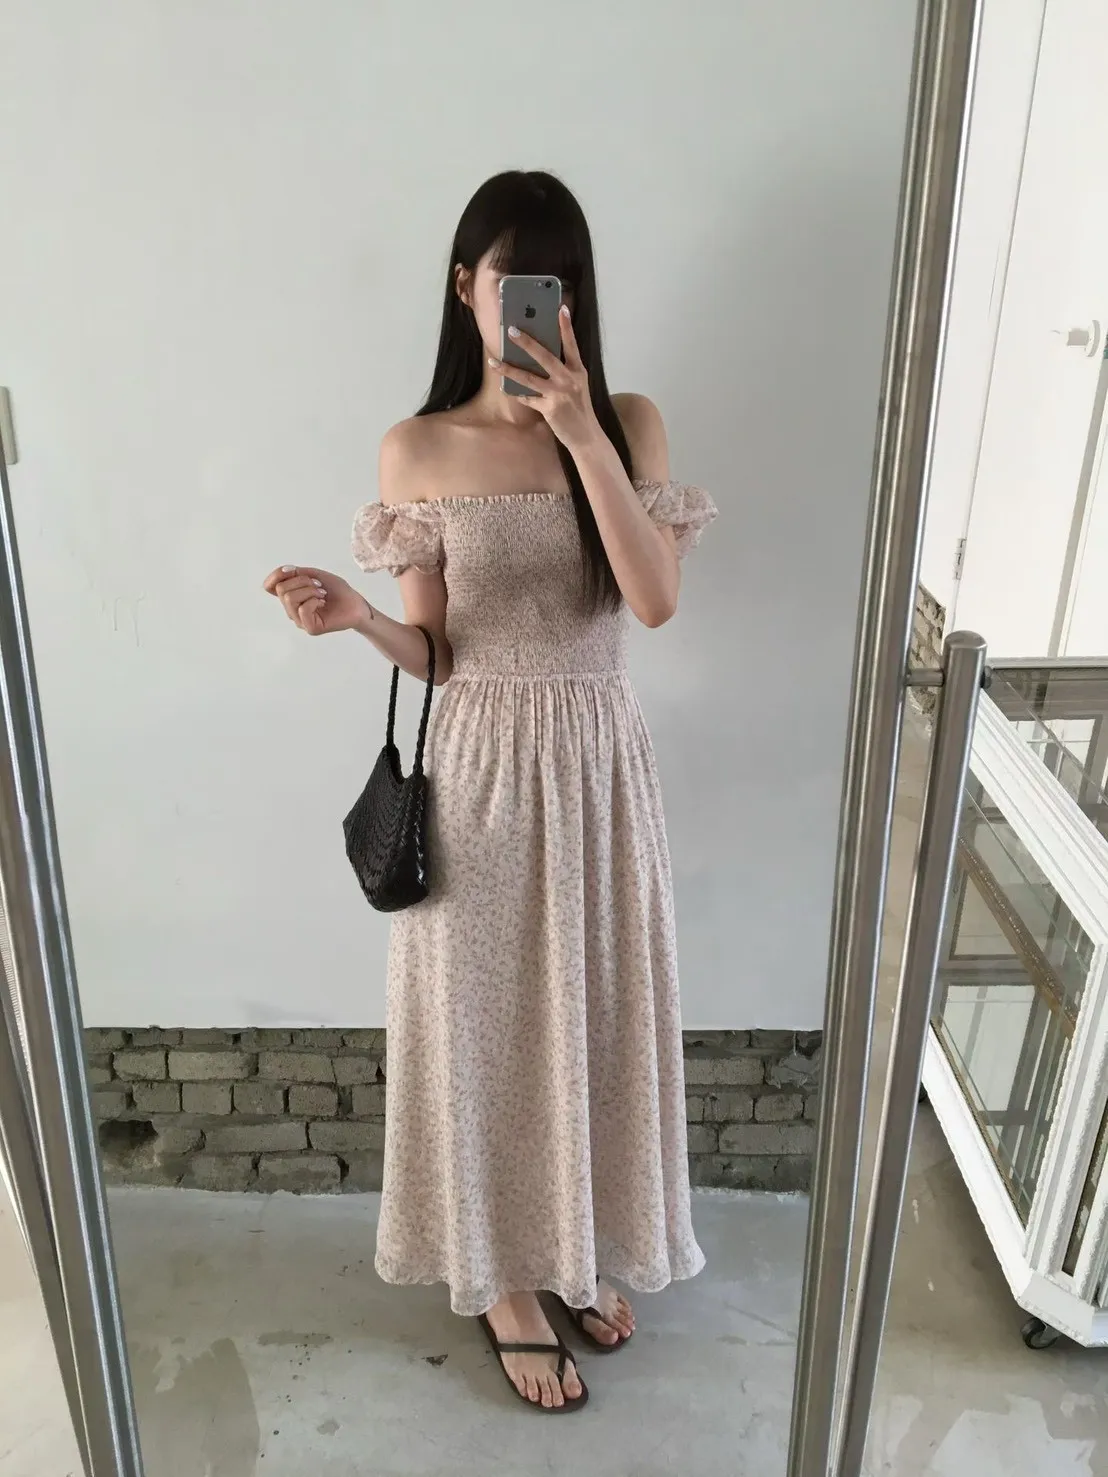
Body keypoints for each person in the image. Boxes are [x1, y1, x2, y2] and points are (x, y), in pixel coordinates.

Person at [264, 170, 715, 1413]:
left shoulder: (628, 422)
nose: (535, 302)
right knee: (481, 1031)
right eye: (513, 277)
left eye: (557, 281)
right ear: (464, 285)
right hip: (477, 770)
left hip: (597, 762)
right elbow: (438, 651)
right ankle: (504, 1281)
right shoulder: (415, 448)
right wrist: (358, 618)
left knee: (591, 1014)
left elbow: (652, 601)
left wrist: (580, 434)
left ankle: (571, 1246)